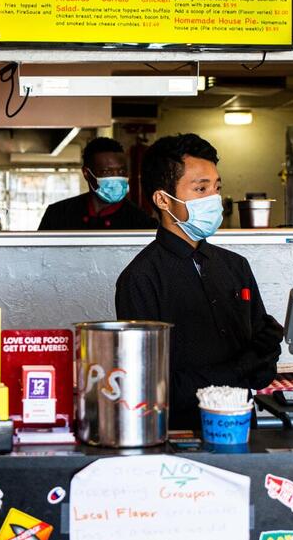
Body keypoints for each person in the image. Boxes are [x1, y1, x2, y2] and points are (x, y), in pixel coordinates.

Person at [115, 133, 282, 429]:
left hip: (242, 428)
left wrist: (267, 348)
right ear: (163, 199)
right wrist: (241, 367)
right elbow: (153, 387)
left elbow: (260, 375)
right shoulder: (140, 278)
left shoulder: (235, 267)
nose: (213, 199)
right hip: (177, 436)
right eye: (200, 188)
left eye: (217, 188)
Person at [38, 137, 156, 230]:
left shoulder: (141, 221)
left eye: (121, 171)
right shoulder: (58, 214)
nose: (116, 177)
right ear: (86, 173)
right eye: (106, 172)